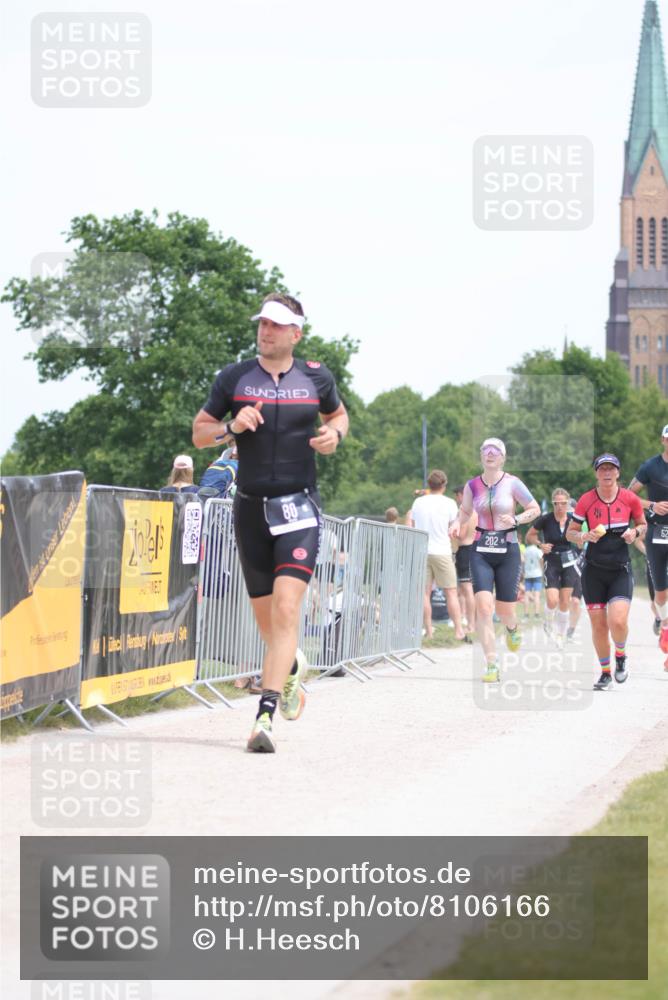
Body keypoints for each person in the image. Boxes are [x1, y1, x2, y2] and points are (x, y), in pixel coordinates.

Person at [192, 292, 348, 751]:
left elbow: (338, 414)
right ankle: (292, 665)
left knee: (285, 610)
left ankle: (264, 718)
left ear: (296, 333)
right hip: (249, 508)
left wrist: (334, 434)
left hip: (299, 506)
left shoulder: (316, 377)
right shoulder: (235, 378)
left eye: (277, 325)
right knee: (270, 624)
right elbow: (200, 432)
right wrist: (231, 427)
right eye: (263, 323)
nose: (266, 330)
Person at [450, 438, 540, 682]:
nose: (490, 454)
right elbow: (466, 511)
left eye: (495, 451)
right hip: (481, 549)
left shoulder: (512, 483)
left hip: (508, 548)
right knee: (483, 608)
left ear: (503, 457)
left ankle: (512, 628)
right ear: (481, 456)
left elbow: (534, 509)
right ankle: (491, 664)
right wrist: (458, 522)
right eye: (485, 451)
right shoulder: (472, 486)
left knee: (505, 610)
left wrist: (517, 520)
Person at [566, 453, 646, 690]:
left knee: (618, 621)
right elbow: (570, 532)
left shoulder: (630, 499)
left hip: (620, 569)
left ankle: (620, 656)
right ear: (597, 474)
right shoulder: (586, 500)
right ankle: (605, 673)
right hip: (594, 572)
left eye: (611, 469)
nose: (607, 473)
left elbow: (642, 525)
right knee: (599, 626)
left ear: (618, 473)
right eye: (603, 469)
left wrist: (635, 533)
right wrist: (583, 535)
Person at [628, 424, 668, 668]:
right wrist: (652, 505)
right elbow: (629, 495)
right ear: (663, 439)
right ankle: (664, 626)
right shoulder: (650, 466)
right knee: (661, 594)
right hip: (656, 534)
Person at [409, 469, 466, 641]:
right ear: (444, 485)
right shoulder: (450, 503)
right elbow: (453, 528)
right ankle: (458, 631)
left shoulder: (418, 503)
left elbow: (412, 523)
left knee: (424, 594)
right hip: (442, 550)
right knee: (451, 592)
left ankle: (429, 631)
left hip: (422, 551)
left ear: (429, 484)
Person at [526, 488, 580, 646]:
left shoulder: (573, 520)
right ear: (553, 503)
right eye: (557, 503)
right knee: (552, 599)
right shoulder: (545, 519)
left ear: (568, 503)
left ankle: (560, 635)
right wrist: (540, 544)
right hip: (551, 561)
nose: (560, 507)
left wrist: (582, 539)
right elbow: (530, 535)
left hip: (569, 561)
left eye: (563, 503)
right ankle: (548, 621)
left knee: (564, 601)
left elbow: (581, 537)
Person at [452, 485, 477, 634]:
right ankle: (475, 622)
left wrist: (451, 529)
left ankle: (471, 625)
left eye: (457, 495)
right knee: (472, 590)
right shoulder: (478, 511)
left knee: (467, 590)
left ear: (463, 495)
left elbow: (461, 535)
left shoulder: (466, 512)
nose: (456, 499)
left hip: (466, 550)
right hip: (476, 549)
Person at [522, 538, 543, 619]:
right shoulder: (537, 550)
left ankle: (526, 614)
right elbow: (541, 559)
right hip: (537, 574)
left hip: (528, 574)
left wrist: (524, 572)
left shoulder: (525, 551)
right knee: (537, 595)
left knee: (527, 595)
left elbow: (523, 562)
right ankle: (536, 614)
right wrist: (541, 569)